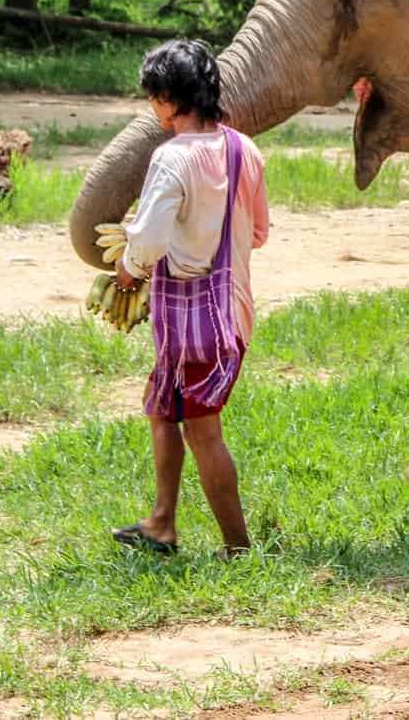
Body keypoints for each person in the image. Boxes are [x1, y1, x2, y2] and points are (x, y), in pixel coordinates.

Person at [109, 39, 269, 558]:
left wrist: (128, 269)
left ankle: (238, 548)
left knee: (203, 431)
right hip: (233, 314)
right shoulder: (246, 150)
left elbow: (150, 241)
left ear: (165, 97)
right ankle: (161, 522)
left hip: (191, 324)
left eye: (151, 95)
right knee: (161, 408)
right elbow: (259, 233)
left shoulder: (171, 158)